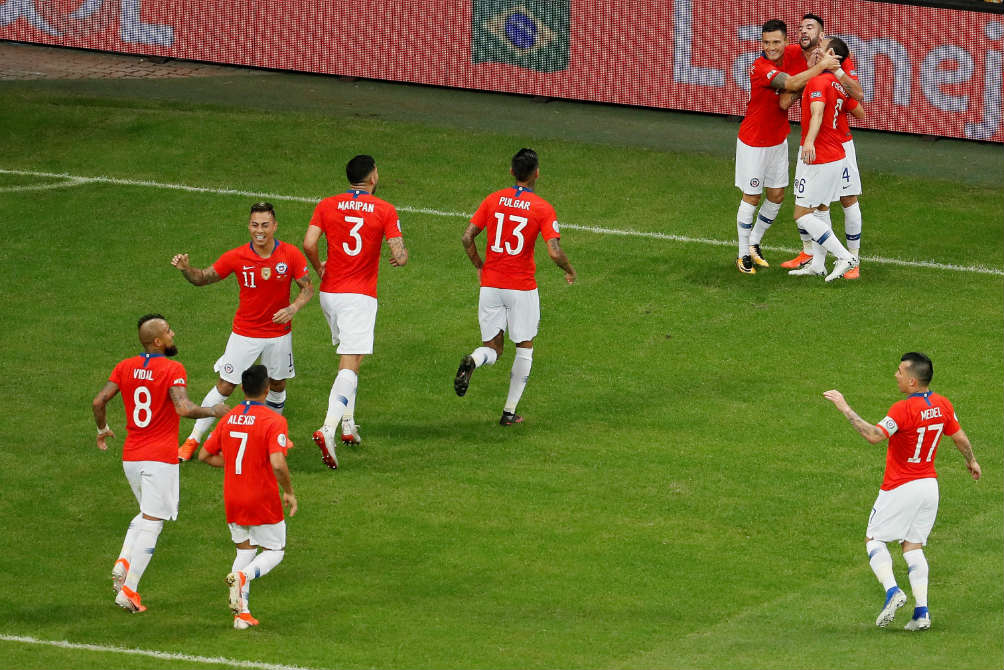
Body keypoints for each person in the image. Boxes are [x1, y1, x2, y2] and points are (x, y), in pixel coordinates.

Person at [823, 352, 981, 631]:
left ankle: (892, 590)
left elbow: (873, 435)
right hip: (929, 487)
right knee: (912, 545)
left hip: (901, 486)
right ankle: (921, 613)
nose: (895, 375)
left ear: (911, 380)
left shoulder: (903, 409)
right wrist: (971, 461)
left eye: (899, 371)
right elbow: (959, 437)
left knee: (873, 539)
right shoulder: (943, 405)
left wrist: (844, 408)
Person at [91, 314, 228, 613]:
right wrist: (214, 410)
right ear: (157, 341)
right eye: (167, 332)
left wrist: (102, 431)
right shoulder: (172, 369)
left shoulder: (124, 367)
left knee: (146, 514)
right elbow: (183, 407)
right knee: (154, 523)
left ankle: (124, 561)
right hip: (159, 459)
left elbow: (98, 402)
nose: (172, 334)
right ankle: (129, 590)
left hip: (131, 456)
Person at [171, 202, 313, 462]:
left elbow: (307, 288)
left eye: (265, 225)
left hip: (279, 335)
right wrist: (186, 270)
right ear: (249, 226)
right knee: (226, 385)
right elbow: (203, 277)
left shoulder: (290, 254)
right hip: (245, 334)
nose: (259, 231)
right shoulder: (237, 256)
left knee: (278, 384)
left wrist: (293, 307)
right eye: (254, 225)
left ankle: (273, 437)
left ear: (275, 226)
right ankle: (193, 439)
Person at [453, 148, 576, 425]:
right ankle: (508, 412)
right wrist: (569, 270)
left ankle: (474, 359)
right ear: (537, 173)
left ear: (511, 172)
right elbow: (554, 252)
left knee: (493, 350)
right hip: (521, 288)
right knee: (525, 347)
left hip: (491, 286)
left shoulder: (493, 199)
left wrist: (479, 266)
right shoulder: (542, 208)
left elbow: (466, 237)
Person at [303, 154, 409, 469]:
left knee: (353, 355)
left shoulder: (327, 204)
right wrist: (400, 258)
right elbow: (399, 253)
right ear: (373, 177)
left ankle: (348, 424)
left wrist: (319, 266)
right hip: (358, 296)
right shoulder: (385, 210)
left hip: (330, 294)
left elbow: (309, 242)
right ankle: (328, 428)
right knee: (349, 363)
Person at [734, 19, 839, 274]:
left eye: (776, 42)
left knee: (777, 196)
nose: (771, 47)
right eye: (766, 42)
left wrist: (820, 50)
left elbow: (784, 101)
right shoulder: (760, 67)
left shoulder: (791, 52)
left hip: (778, 138)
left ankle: (754, 242)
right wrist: (821, 66)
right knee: (752, 197)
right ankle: (742, 254)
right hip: (753, 141)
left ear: (785, 41)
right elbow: (791, 85)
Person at [197, 364, 297, 630]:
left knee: (245, 548)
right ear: (267, 389)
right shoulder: (274, 420)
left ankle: (241, 615)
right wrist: (288, 492)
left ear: (242, 389)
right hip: (261, 497)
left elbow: (204, 456)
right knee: (275, 550)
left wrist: (232, 463)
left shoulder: (229, 418)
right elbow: (277, 463)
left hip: (233, 496)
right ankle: (243, 576)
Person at [778, 14, 866, 277]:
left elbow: (857, 101)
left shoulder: (832, 70)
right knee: (821, 206)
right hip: (824, 148)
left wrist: (809, 140)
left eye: (812, 28)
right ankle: (816, 261)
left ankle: (850, 259)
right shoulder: (808, 64)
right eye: (801, 27)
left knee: (828, 205)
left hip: (827, 148)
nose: (804, 32)